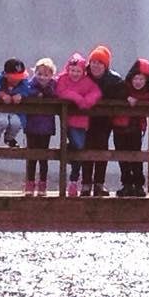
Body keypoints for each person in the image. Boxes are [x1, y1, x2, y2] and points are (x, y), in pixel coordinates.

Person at [54, 52, 101, 197]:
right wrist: (79, 99)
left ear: (83, 71)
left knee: (79, 150)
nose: (75, 73)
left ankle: (73, 180)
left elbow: (96, 92)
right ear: (68, 69)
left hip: (82, 122)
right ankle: (73, 180)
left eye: (78, 71)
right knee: (79, 148)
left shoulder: (86, 82)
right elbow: (61, 91)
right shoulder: (62, 79)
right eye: (72, 70)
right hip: (68, 122)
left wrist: (87, 101)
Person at [84, 45, 126, 197]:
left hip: (105, 122)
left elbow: (123, 95)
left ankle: (99, 184)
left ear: (105, 65)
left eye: (100, 63)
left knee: (102, 150)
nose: (96, 65)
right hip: (85, 120)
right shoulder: (83, 75)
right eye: (93, 62)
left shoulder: (114, 80)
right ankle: (86, 184)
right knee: (86, 150)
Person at [112, 58, 149, 197]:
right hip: (120, 127)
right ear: (131, 78)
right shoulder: (123, 87)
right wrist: (126, 97)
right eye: (136, 78)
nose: (138, 82)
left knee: (136, 156)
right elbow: (114, 93)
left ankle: (138, 185)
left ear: (147, 81)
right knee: (122, 157)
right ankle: (126, 184)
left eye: (142, 79)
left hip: (136, 128)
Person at [23, 57, 57, 196]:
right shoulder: (30, 86)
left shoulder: (53, 86)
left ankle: (42, 184)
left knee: (44, 157)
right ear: (34, 73)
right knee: (31, 157)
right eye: (40, 74)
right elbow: (25, 91)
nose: (42, 77)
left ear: (51, 75)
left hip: (46, 128)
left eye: (46, 74)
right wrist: (37, 94)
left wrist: (47, 94)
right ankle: (30, 184)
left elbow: (58, 94)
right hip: (31, 126)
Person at [0, 58, 31, 147]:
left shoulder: (23, 83)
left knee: (16, 123)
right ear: (5, 74)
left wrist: (21, 95)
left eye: (19, 77)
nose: (17, 80)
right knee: (2, 122)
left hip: (15, 111)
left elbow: (29, 90)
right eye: (14, 78)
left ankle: (9, 138)